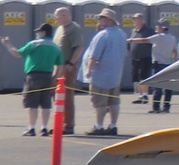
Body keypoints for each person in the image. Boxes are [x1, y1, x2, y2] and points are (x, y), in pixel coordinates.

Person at [4, 22, 61, 136]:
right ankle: (44, 128)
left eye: (38, 31)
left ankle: (31, 128)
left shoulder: (34, 44)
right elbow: (60, 65)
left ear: (43, 32)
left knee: (32, 103)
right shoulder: (56, 47)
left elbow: (17, 54)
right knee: (46, 104)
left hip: (34, 75)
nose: (37, 34)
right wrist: (55, 77)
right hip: (48, 76)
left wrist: (7, 44)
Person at [79, 8, 127, 136]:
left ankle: (99, 126)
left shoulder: (102, 35)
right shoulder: (121, 34)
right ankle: (113, 126)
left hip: (101, 76)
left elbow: (94, 55)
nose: (99, 20)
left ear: (108, 20)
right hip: (115, 75)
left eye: (101, 17)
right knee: (114, 102)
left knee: (99, 102)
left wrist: (89, 70)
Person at [47, 7, 83, 136]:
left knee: (66, 95)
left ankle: (68, 125)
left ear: (65, 16)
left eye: (57, 16)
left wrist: (71, 63)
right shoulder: (59, 29)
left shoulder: (73, 29)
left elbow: (79, 47)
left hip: (67, 65)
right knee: (55, 94)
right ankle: (59, 123)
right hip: (57, 66)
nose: (55, 19)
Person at [148, 21, 177, 112]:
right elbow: (175, 51)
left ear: (161, 28)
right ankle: (166, 107)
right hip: (168, 64)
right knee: (168, 87)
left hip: (158, 64)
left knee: (157, 87)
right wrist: (175, 62)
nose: (156, 27)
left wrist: (130, 40)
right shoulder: (172, 38)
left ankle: (156, 107)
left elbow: (144, 40)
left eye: (158, 26)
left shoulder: (158, 37)